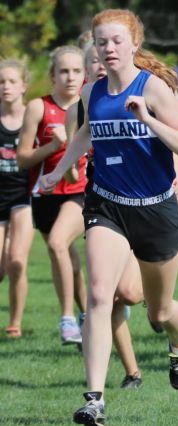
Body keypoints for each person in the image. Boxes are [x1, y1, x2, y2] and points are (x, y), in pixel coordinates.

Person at [39, 8, 178, 426]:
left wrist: (147, 118)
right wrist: (59, 170)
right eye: (101, 42)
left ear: (134, 44)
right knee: (98, 296)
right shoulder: (92, 93)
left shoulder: (157, 89)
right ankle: (94, 399)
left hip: (156, 210)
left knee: (159, 312)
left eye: (116, 41)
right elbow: (87, 132)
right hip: (106, 205)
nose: (108, 49)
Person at [65, 43, 145, 388]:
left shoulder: (140, 92)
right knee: (103, 294)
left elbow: (163, 149)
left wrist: (174, 177)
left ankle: (172, 324)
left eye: (103, 60)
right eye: (93, 62)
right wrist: (64, 162)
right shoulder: (82, 106)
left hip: (146, 204)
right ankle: (127, 375)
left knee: (132, 294)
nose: (100, 66)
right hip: (102, 203)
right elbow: (73, 167)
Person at [17, 46, 88, 346]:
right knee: (67, 260)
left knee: (59, 244)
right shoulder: (38, 108)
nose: (70, 77)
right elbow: (22, 159)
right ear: (53, 75)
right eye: (64, 71)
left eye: (76, 71)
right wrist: (52, 147)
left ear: (85, 75)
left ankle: (67, 319)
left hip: (82, 192)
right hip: (46, 194)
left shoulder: (90, 105)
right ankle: (89, 314)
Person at [0, 59, 34, 338]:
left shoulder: (31, 117)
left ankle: (15, 323)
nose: (6, 87)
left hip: (24, 197)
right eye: (1, 82)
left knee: (17, 261)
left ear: (24, 85)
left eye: (12, 81)